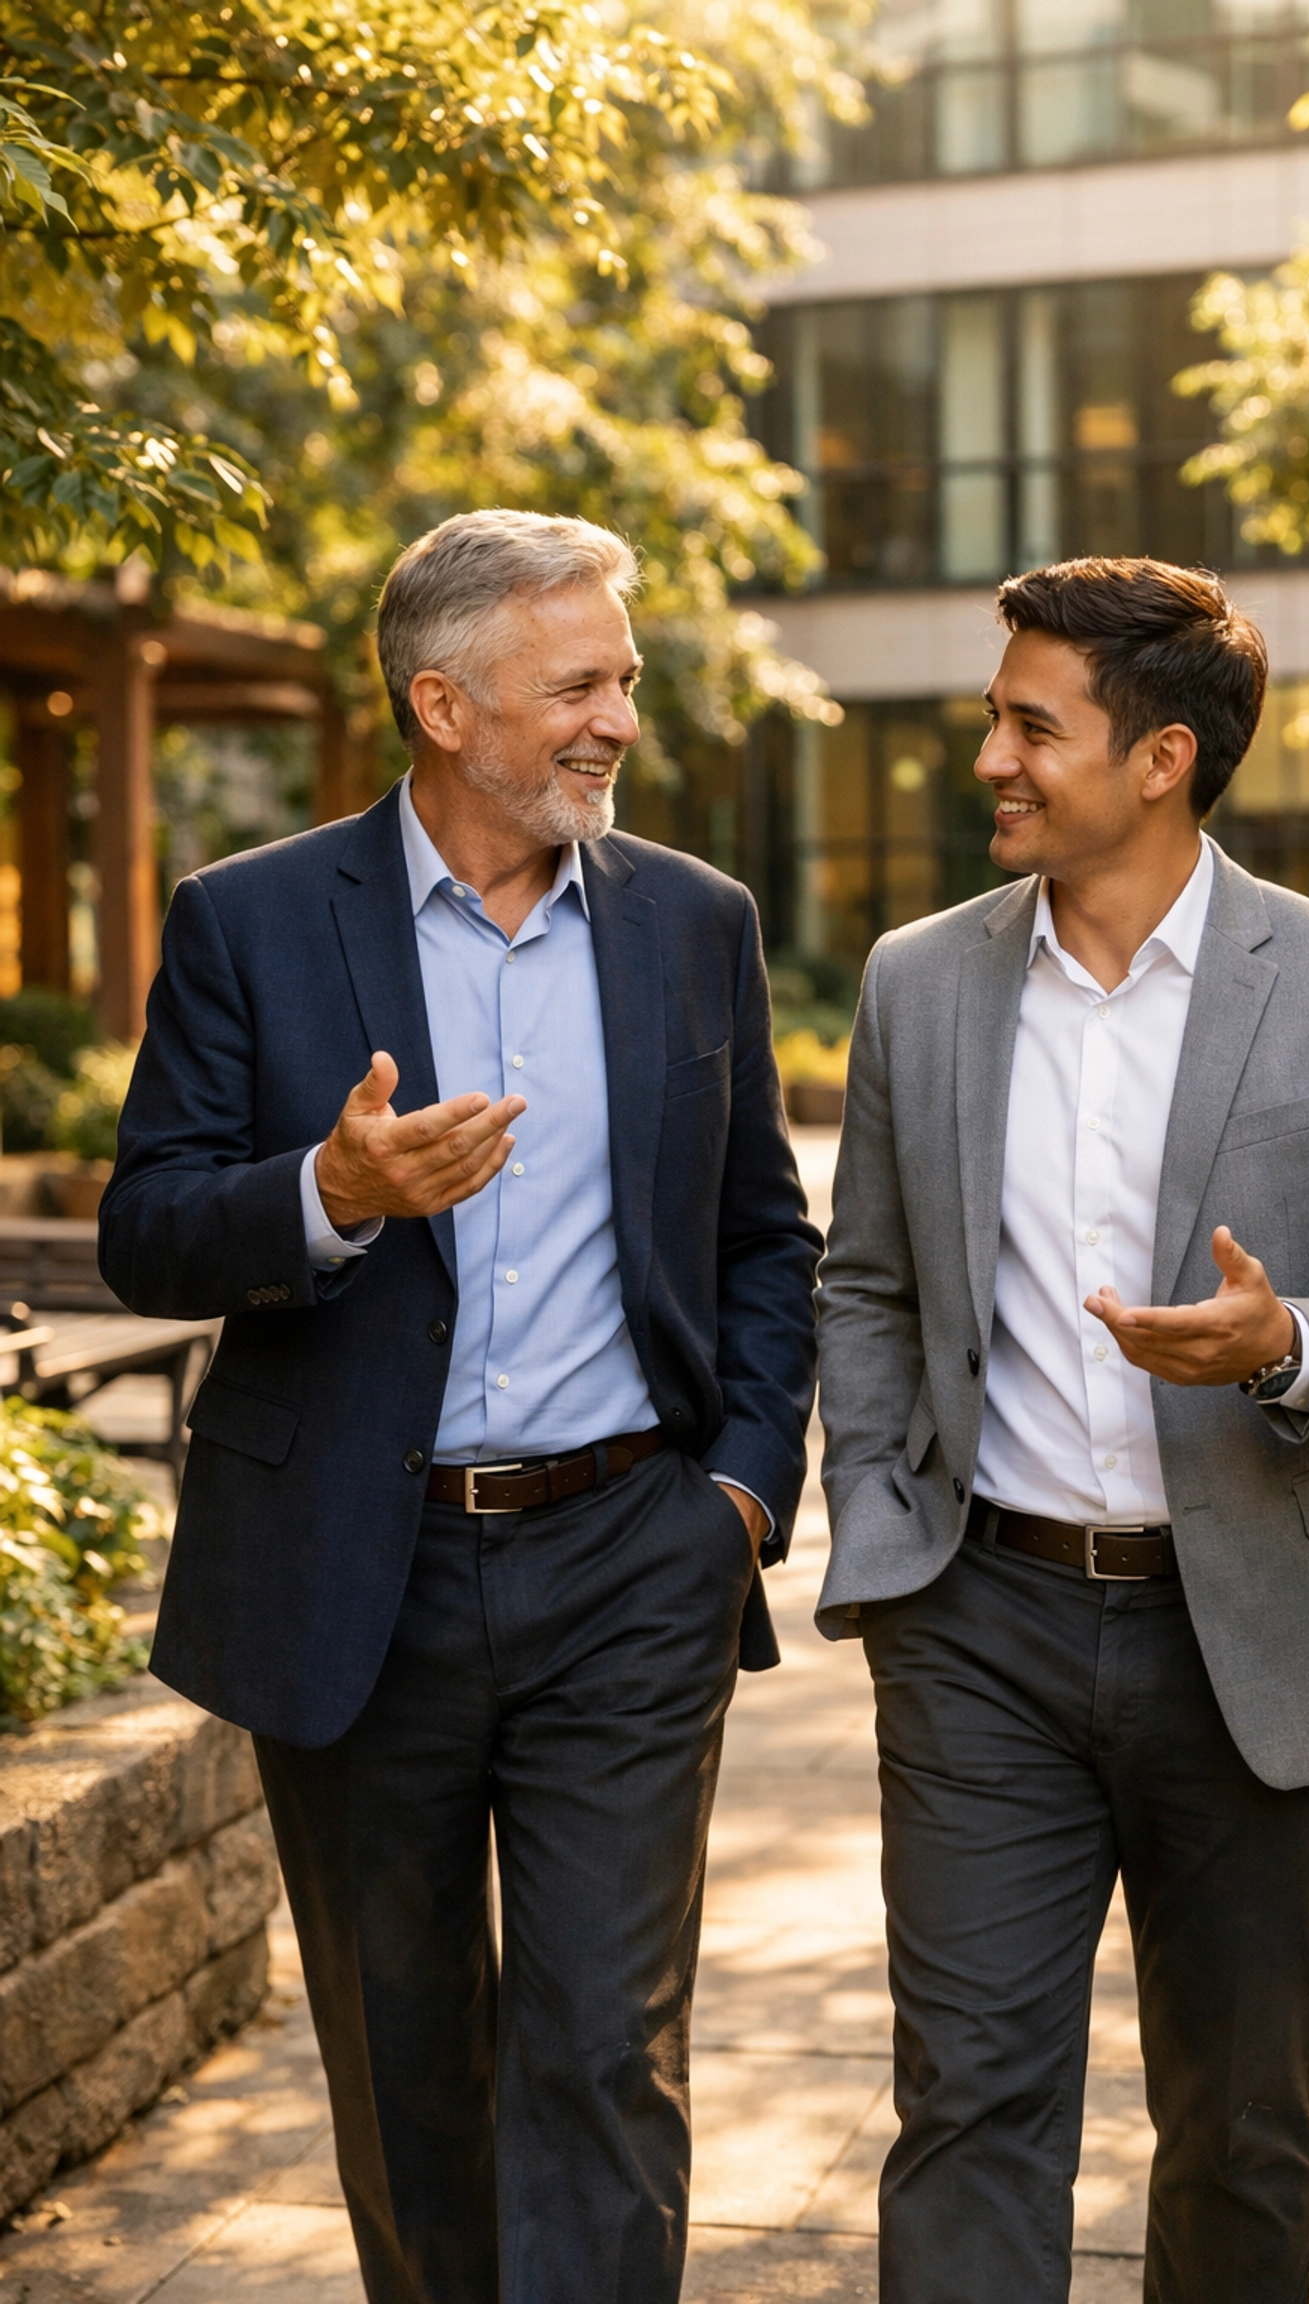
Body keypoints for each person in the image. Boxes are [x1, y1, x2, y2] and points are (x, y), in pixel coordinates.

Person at [98, 509, 821, 2304]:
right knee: (408, 2070)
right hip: (358, 1571)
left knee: (605, 2052)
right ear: (445, 704)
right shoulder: (249, 922)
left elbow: (762, 1241)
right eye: (578, 684)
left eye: (622, 683)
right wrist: (331, 1196)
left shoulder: (691, 925)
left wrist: (732, 1495)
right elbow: (146, 1228)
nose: (617, 722)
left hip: (629, 1568)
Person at [814, 556, 1309, 2303]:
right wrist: (889, 1540)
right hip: (983, 1625)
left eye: (1029, 724)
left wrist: (1293, 1344)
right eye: (993, 714)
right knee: (968, 2109)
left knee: (1240, 2128)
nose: (989, 755)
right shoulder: (920, 981)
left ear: (1164, 759)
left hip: (1260, 1642)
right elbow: (868, 1284)